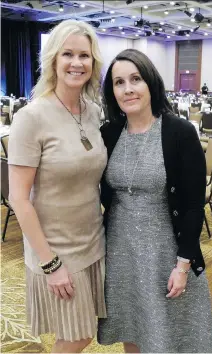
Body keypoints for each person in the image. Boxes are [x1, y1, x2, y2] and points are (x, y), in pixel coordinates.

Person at [97, 49, 212, 353]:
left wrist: (182, 264)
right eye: (118, 82)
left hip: (166, 253)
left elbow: (192, 205)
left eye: (135, 79)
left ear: (150, 82)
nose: (128, 89)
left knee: (170, 334)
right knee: (132, 327)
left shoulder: (179, 132)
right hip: (120, 253)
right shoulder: (109, 133)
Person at [8, 20, 107, 353]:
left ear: (93, 63)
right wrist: (50, 263)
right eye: (68, 54)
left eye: (84, 55)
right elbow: (18, 199)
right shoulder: (31, 117)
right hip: (55, 249)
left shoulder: (94, 113)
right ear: (52, 59)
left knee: (83, 330)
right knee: (76, 336)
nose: (76, 63)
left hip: (93, 242)